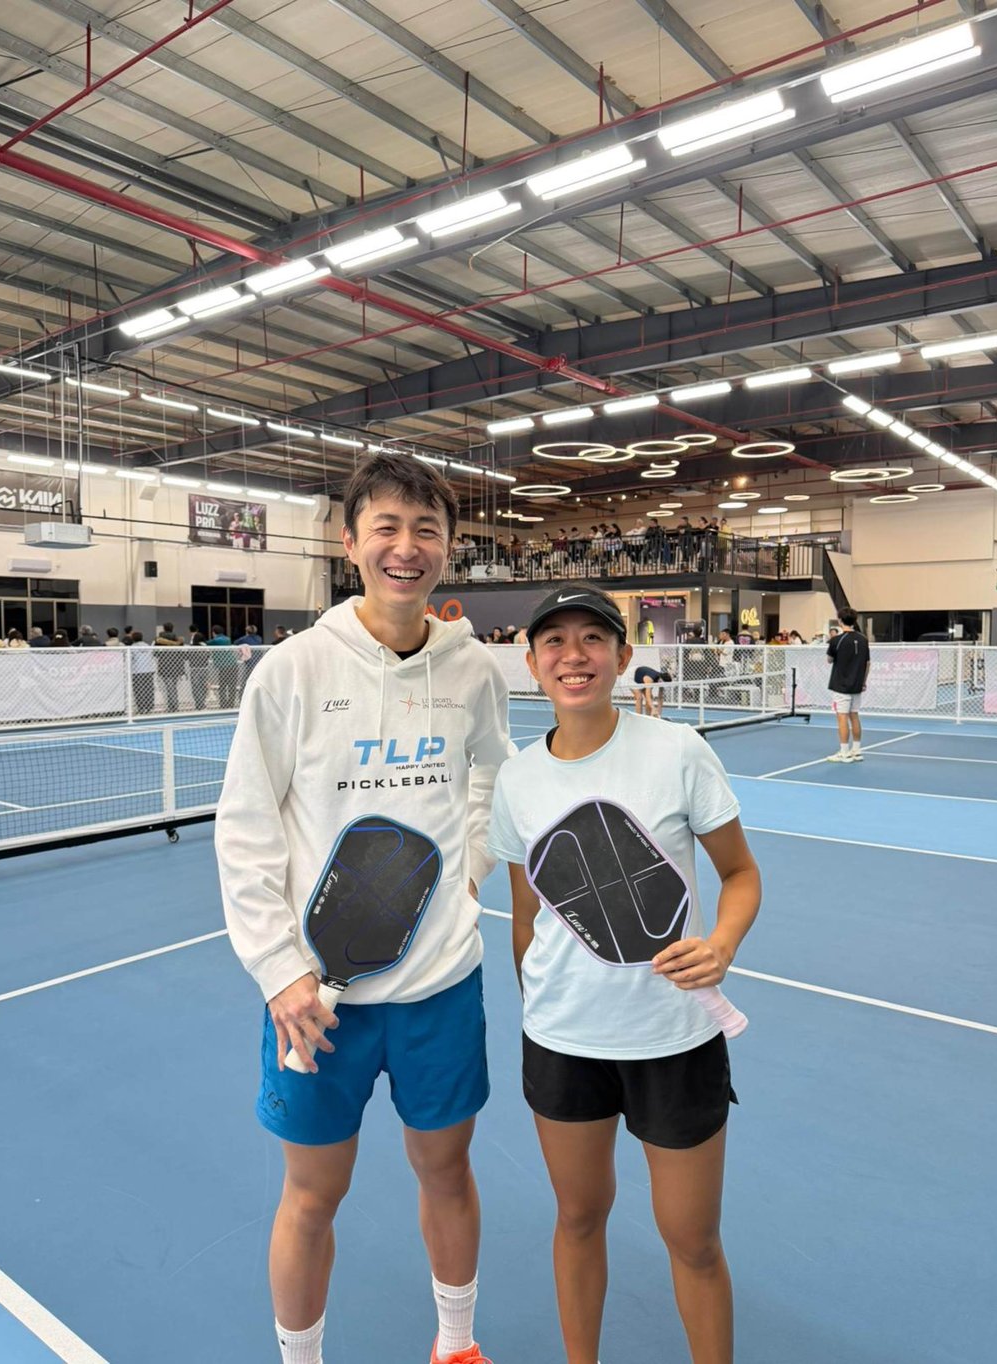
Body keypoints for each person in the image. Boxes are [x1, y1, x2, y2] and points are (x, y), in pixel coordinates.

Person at [215, 452, 512, 1364]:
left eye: (426, 530)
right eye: (385, 527)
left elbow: (489, 775)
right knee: (311, 1195)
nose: (405, 547)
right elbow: (247, 825)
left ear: (449, 550)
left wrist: (466, 876)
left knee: (447, 1170)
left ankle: (455, 1344)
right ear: (351, 544)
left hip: (440, 991)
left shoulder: (474, 670)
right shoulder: (293, 671)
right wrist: (278, 970)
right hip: (316, 1003)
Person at [487, 583, 760, 1364]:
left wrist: (724, 945)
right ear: (533, 663)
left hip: (674, 1037)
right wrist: (540, 1009)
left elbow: (741, 875)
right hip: (564, 1041)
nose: (574, 656)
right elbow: (526, 916)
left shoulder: (676, 752)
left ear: (623, 655)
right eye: (555, 643)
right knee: (577, 1218)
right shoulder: (517, 781)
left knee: (694, 1240)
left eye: (592, 639)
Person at [826, 608, 870, 763]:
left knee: (842, 717)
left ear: (840, 621)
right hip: (857, 685)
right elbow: (867, 663)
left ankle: (844, 752)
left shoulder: (836, 640)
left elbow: (829, 660)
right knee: (854, 715)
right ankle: (856, 751)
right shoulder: (864, 639)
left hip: (841, 686)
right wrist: (863, 681)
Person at [207, 623, 238, 708]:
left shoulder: (216, 640)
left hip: (224, 666)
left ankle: (223, 704)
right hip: (233, 665)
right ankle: (231, 704)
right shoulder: (227, 639)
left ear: (214, 632)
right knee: (232, 685)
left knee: (223, 685)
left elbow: (207, 643)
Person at [128, 631, 155, 713]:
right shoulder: (147, 646)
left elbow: (130, 658)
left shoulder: (132, 647)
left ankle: (141, 707)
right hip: (149, 670)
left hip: (137, 671)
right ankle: (149, 707)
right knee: (149, 689)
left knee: (138, 690)